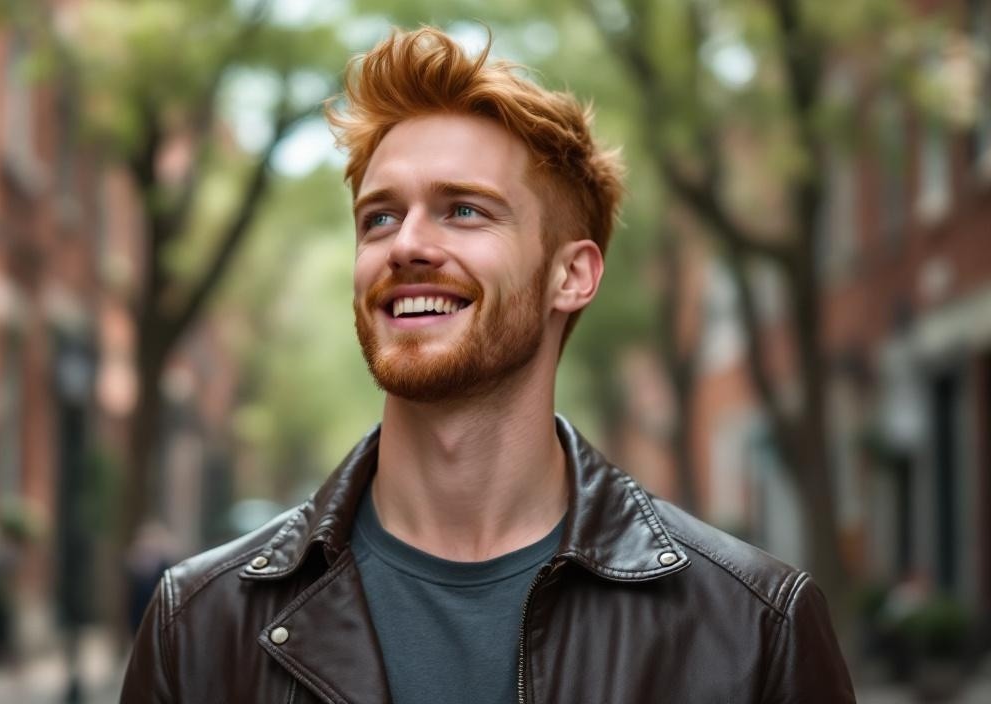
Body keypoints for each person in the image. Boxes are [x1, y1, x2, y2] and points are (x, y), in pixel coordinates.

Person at [121, 27, 855, 703]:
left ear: (572, 277)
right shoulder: (198, 625)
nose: (406, 244)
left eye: (463, 210)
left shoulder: (755, 628)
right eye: (380, 216)